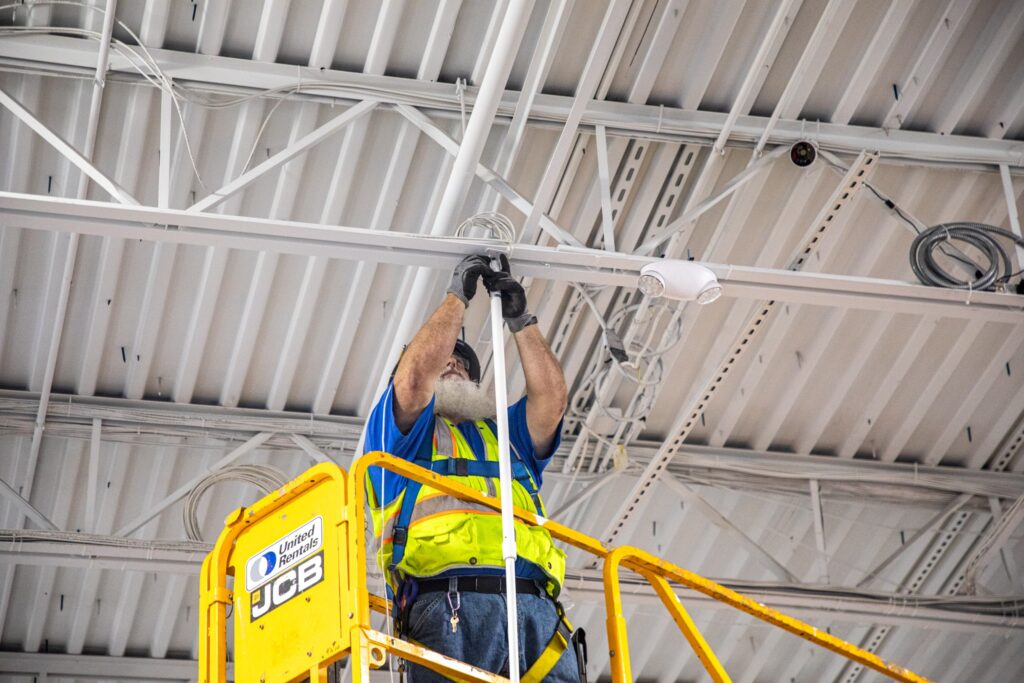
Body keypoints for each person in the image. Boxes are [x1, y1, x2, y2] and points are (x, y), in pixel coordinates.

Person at [363, 254, 584, 682]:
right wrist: (457, 296)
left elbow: (552, 401)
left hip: (536, 612)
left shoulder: (507, 439)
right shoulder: (398, 438)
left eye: (462, 362)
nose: (453, 364)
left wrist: (521, 319)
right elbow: (411, 384)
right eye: (442, 359)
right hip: (447, 605)